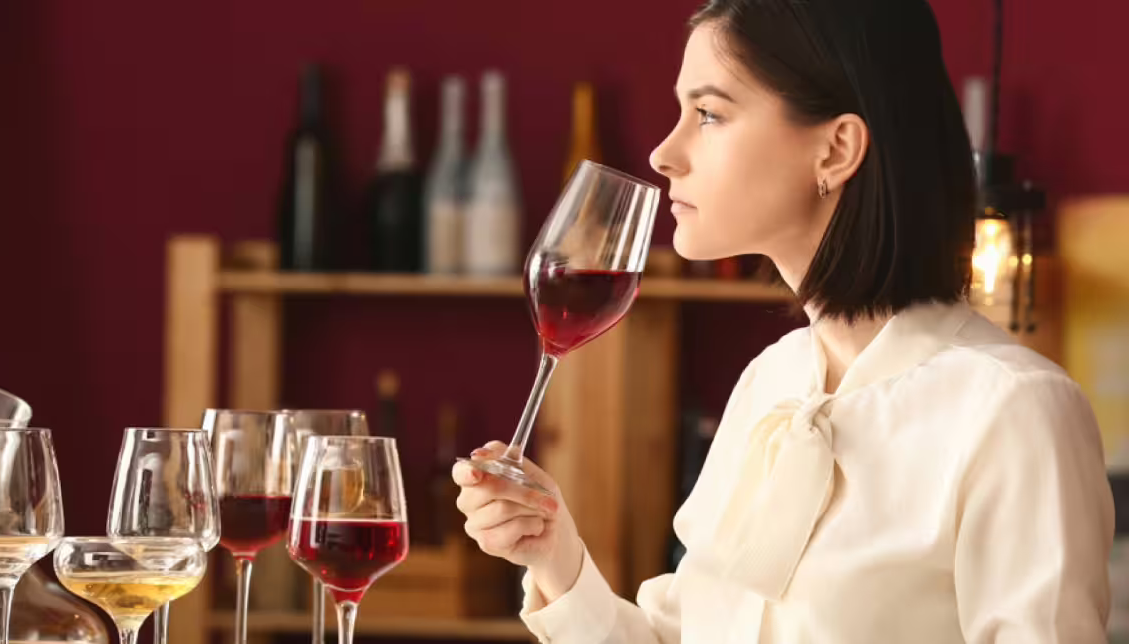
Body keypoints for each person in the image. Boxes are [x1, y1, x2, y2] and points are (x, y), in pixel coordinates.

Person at [451, 0, 1116, 642]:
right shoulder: (772, 381)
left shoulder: (1014, 413)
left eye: (708, 114)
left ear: (835, 151)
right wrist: (557, 558)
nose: (662, 153)